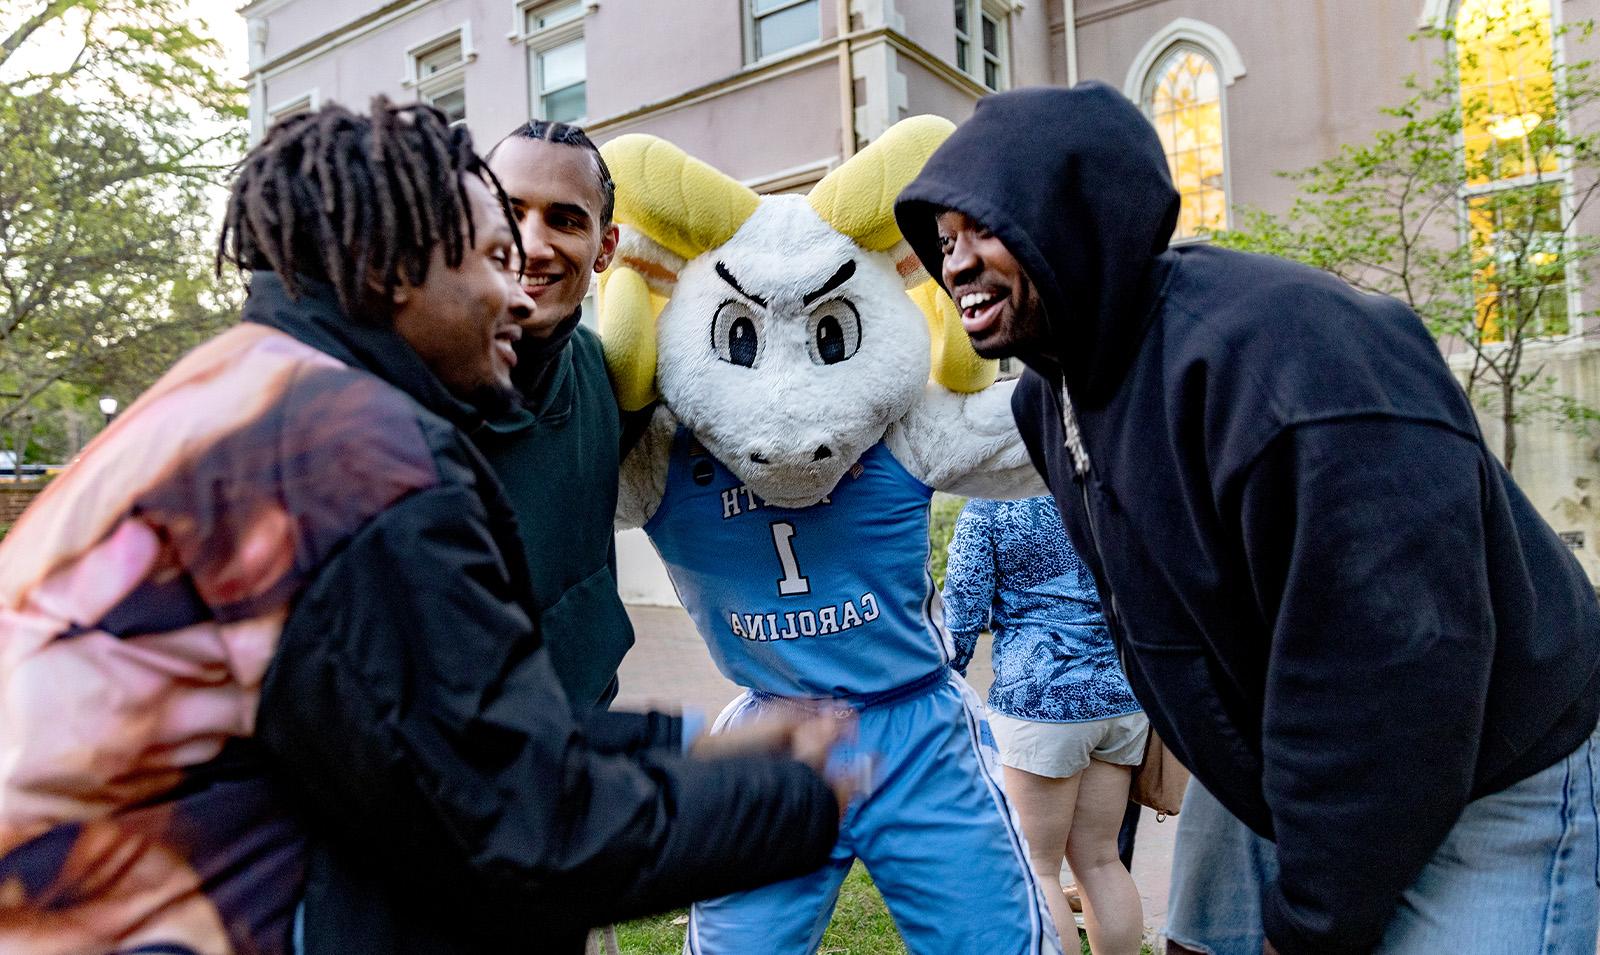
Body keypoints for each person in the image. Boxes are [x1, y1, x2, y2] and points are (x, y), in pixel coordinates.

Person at [0, 98, 852, 955]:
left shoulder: (245, 387)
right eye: (491, 255)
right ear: (401, 265)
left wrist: (682, 744)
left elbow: (445, 720)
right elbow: (511, 823)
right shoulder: (353, 455)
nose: (511, 293)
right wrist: (798, 794)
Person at [894, 83, 1600, 955]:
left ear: (1071, 219)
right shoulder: (1054, 396)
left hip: (1497, 763)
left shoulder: (1285, 377)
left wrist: (1307, 925)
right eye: (945, 241)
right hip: (1278, 754)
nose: (954, 263)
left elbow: (1400, 677)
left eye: (984, 229)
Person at [943, 495, 1146, 954]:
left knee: (1038, 866)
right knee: (1100, 859)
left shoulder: (992, 504)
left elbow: (963, 610)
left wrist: (945, 682)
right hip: (1120, 697)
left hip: (1039, 703)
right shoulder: (1105, 482)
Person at [478, 120, 631, 708]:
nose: (532, 244)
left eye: (565, 219)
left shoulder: (609, 374)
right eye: (509, 211)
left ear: (606, 247)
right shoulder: (408, 389)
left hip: (589, 730)